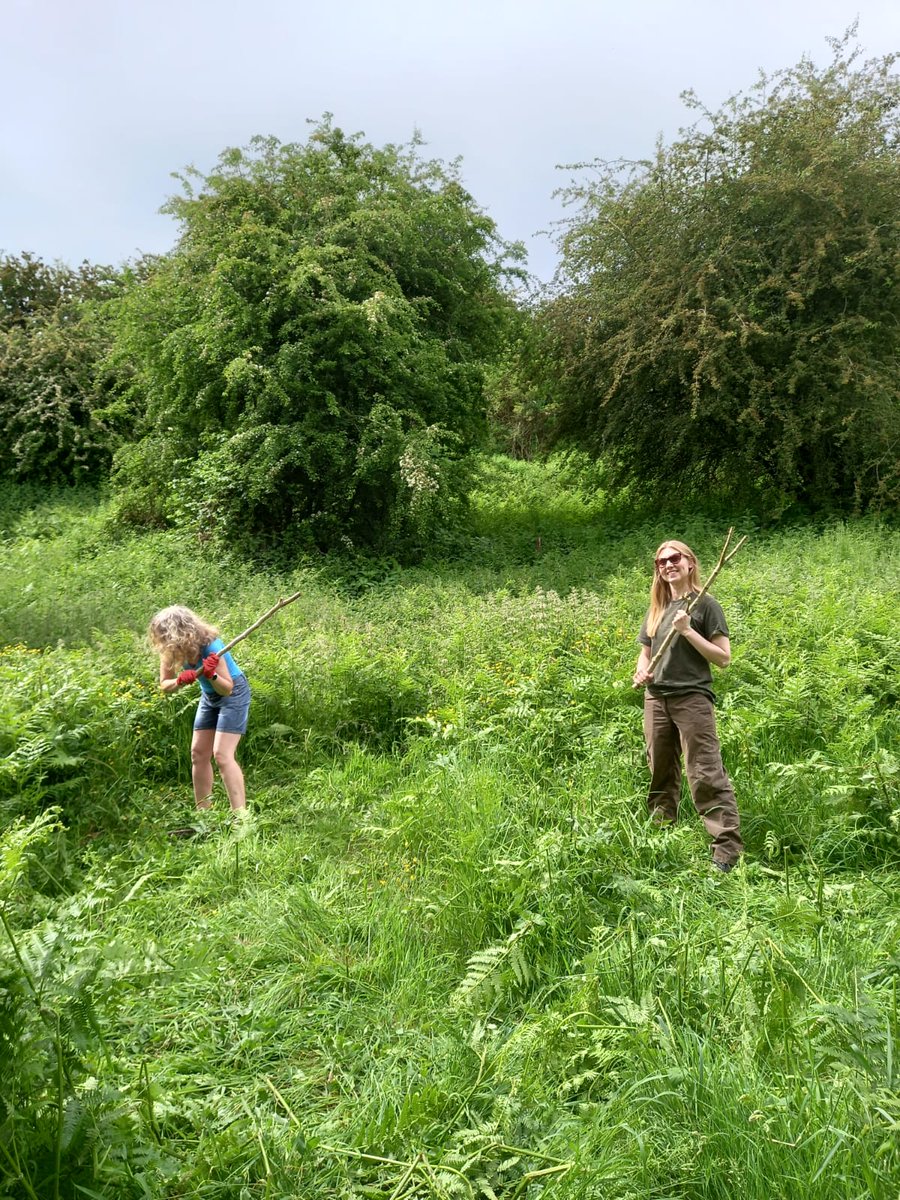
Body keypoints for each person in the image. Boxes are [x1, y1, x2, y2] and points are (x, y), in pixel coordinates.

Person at [632, 540, 743, 871]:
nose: (667, 564)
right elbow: (647, 650)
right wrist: (642, 670)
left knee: (704, 771)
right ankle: (662, 835)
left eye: (674, 558)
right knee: (661, 770)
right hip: (657, 699)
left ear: (690, 563)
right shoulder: (657, 608)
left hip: (691, 698)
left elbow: (723, 658)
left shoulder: (705, 605)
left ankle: (726, 850)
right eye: (661, 561)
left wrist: (688, 631)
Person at [148, 605, 251, 820]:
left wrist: (211, 674)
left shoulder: (210, 646)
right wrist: (179, 680)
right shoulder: (172, 650)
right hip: (209, 697)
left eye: (164, 635)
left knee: (222, 755)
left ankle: (242, 818)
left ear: (177, 632)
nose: (162, 641)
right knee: (198, 754)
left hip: (233, 694)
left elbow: (227, 688)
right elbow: (164, 685)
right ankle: (203, 816)